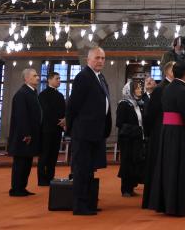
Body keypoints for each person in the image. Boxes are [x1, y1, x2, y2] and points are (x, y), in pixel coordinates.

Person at [66, 47, 112, 215]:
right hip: (83, 132)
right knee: (81, 170)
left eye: (103, 58)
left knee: (90, 170)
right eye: (97, 58)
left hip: (96, 132)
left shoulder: (100, 77)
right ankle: (80, 205)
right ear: (88, 60)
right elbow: (73, 105)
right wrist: (72, 128)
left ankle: (90, 202)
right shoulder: (83, 77)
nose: (100, 61)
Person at [148, 60, 185, 216]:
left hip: (166, 131)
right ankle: (177, 207)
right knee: (178, 169)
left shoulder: (167, 88)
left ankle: (165, 204)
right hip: (179, 133)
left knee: (167, 168)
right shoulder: (183, 91)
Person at [142, 61, 174, 209]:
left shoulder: (173, 87)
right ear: (168, 72)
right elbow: (150, 114)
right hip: (159, 133)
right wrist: (150, 133)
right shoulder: (160, 89)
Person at [7, 68, 42, 196]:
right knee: (20, 164)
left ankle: (22, 188)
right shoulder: (22, 94)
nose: (38, 77)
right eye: (34, 75)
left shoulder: (31, 92)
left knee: (26, 163)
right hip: (23, 136)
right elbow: (21, 116)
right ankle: (16, 189)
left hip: (30, 135)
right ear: (26, 78)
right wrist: (26, 134)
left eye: (37, 75)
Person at [116, 81, 145, 197]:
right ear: (131, 90)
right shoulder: (123, 104)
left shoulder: (138, 104)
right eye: (137, 88)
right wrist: (136, 129)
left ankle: (131, 187)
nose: (140, 90)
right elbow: (119, 123)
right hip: (127, 139)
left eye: (140, 88)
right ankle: (125, 189)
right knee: (127, 163)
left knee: (135, 162)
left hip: (137, 138)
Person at [37, 70, 66, 186]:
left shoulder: (60, 95)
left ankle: (50, 176)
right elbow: (46, 112)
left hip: (57, 130)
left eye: (59, 79)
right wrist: (59, 121)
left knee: (54, 155)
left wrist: (65, 120)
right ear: (49, 80)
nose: (59, 81)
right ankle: (42, 179)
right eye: (57, 79)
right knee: (44, 155)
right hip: (46, 129)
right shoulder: (43, 95)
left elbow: (64, 110)